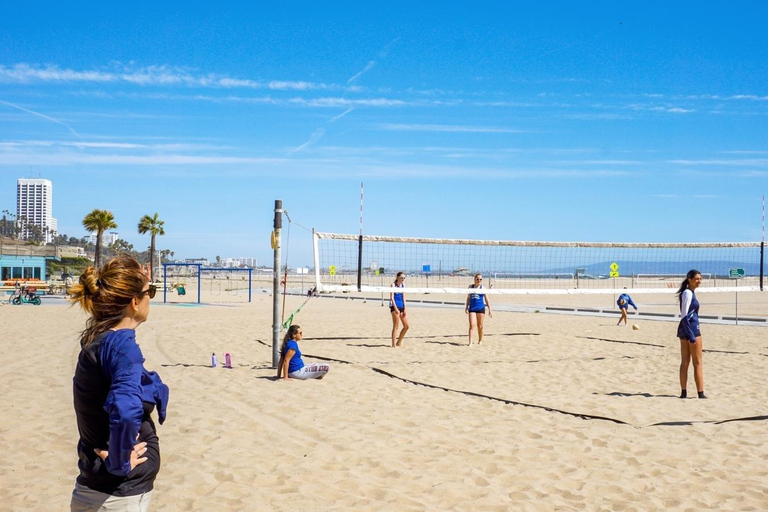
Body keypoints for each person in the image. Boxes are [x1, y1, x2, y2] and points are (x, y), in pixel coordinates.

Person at [69, 255, 169, 511]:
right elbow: (125, 409)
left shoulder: (99, 339)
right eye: (151, 292)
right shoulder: (122, 346)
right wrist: (119, 460)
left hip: (96, 489)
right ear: (135, 302)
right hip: (117, 497)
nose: (151, 298)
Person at [676, 269, 706, 399]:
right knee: (696, 362)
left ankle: (684, 393)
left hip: (685, 330)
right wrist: (691, 335)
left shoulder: (688, 292)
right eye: (697, 279)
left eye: (700, 279)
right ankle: (700, 393)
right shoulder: (688, 293)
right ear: (690, 279)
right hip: (691, 329)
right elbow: (684, 315)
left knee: (685, 362)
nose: (699, 281)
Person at [465, 273, 492, 345]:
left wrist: (490, 310)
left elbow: (487, 299)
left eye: (480, 279)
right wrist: (466, 307)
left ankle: (480, 340)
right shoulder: (470, 287)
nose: (479, 280)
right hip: (472, 308)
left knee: (480, 326)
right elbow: (468, 298)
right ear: (474, 279)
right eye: (477, 279)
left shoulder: (483, 288)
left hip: (480, 308)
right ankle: (470, 342)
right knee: (472, 325)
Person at [389, 272, 409, 347]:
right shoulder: (393, 285)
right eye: (401, 277)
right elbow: (392, 298)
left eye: (404, 278)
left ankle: (399, 342)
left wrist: (405, 308)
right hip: (394, 306)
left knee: (406, 326)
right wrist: (396, 308)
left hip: (402, 306)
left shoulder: (403, 285)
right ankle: (393, 345)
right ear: (397, 277)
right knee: (396, 326)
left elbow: (404, 298)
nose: (403, 279)